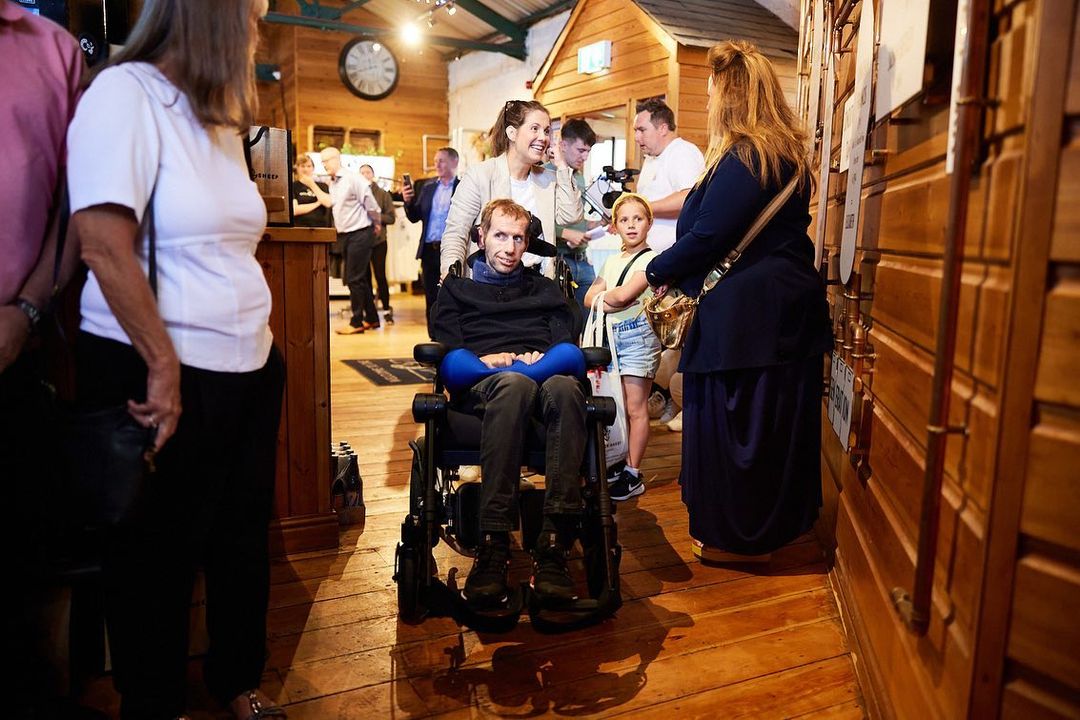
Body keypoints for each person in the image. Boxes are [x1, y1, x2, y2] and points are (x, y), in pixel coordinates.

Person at [66, 0, 288, 717]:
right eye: (250, 13)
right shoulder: (123, 95)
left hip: (250, 366)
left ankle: (236, 679)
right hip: (165, 369)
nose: (257, 26)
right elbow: (101, 239)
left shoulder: (218, 121)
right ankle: (153, 700)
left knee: (239, 538)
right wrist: (161, 364)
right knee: (155, 555)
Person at [644, 40, 832, 564]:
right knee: (776, 430)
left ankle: (741, 538)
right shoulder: (783, 155)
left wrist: (654, 270)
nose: (705, 101)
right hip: (783, 317)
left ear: (729, 98)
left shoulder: (744, 156)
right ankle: (778, 529)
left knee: (739, 432)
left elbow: (708, 237)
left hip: (745, 324)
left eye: (710, 92)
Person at [432, 199, 586, 610]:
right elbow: (449, 349)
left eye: (518, 238)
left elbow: (563, 343)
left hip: (542, 374)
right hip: (487, 384)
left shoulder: (545, 290)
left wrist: (543, 355)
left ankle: (554, 542)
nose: (509, 247)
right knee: (514, 385)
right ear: (481, 237)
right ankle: (493, 540)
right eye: (500, 236)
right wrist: (484, 364)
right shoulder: (458, 289)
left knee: (570, 389)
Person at [0, 2, 83, 715]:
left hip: (14, 344)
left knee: (20, 554)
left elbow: (71, 201)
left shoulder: (51, 49)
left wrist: (24, 311)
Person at [439, 100, 583, 279]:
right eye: (534, 128)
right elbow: (456, 232)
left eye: (547, 131)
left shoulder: (548, 179)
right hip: (487, 283)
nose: (543, 137)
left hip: (536, 283)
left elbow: (571, 216)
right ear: (512, 133)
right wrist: (450, 276)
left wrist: (561, 166)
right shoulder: (480, 175)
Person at [584, 194, 661, 502]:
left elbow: (623, 296)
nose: (631, 225)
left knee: (635, 407)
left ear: (649, 223)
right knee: (614, 406)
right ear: (614, 226)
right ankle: (618, 462)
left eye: (638, 219)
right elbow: (591, 297)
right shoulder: (612, 260)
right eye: (624, 220)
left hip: (638, 338)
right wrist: (610, 299)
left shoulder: (652, 261)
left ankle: (633, 472)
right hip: (610, 337)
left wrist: (609, 298)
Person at [633, 98, 703, 432]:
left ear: (662, 127)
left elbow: (691, 197)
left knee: (675, 336)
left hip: (677, 264)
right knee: (657, 338)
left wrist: (643, 206)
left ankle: (679, 402)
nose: (637, 136)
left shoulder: (684, 153)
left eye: (642, 128)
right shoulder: (652, 160)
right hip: (653, 261)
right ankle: (660, 398)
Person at [321, 146, 383, 335]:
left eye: (327, 161)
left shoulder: (352, 178)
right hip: (345, 235)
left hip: (360, 232)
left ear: (337, 158)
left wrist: (377, 224)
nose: (324, 165)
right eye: (322, 162)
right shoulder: (333, 183)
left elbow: (371, 204)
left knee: (354, 279)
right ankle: (371, 318)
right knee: (361, 278)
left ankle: (356, 322)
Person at [403, 147, 459, 335]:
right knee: (431, 296)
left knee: (451, 294)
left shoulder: (462, 187)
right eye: (436, 161)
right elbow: (414, 216)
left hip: (451, 249)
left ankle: (450, 336)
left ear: (454, 162)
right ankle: (433, 337)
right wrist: (408, 202)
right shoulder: (428, 188)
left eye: (441, 160)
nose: (437, 165)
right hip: (429, 250)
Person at [551, 118, 598, 313]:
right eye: (581, 150)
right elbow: (537, 220)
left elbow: (574, 219)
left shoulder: (578, 176)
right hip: (560, 262)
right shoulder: (545, 174)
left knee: (590, 323)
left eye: (588, 151)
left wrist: (593, 225)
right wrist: (565, 233)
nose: (585, 157)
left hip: (583, 260)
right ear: (562, 145)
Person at [360, 164, 397, 324]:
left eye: (367, 172)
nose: (365, 175)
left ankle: (387, 309)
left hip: (379, 241)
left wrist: (375, 216)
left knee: (380, 276)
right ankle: (369, 312)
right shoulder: (356, 193)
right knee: (364, 277)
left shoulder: (383, 194)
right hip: (361, 241)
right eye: (361, 172)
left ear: (373, 174)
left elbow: (391, 218)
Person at [291, 153, 332, 228]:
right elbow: (295, 210)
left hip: (322, 227)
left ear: (313, 168)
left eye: (309, 166)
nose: (306, 169)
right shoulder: (293, 186)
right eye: (302, 166)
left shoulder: (323, 186)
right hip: (299, 227)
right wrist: (318, 203)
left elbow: (328, 203)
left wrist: (312, 185)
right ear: (297, 168)